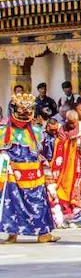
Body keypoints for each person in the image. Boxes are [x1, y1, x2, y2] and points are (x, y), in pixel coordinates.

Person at [0, 94, 58, 244]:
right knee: (11, 205)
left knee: (39, 204)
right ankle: (12, 234)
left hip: (34, 175)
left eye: (28, 111)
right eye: (21, 111)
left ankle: (44, 234)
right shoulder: (3, 132)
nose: (24, 114)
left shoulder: (38, 132)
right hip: (12, 175)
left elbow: (44, 154)